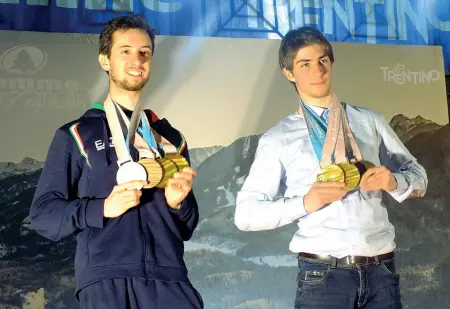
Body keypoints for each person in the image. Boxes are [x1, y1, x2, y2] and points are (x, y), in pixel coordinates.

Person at [234, 26, 427, 309]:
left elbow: (419, 177)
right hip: (322, 276)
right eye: (305, 64)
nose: (318, 71)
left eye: (323, 60)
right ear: (289, 73)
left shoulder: (370, 121)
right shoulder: (278, 139)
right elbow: (246, 215)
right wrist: (305, 203)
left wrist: (393, 181)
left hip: (381, 271)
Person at [29, 15, 203, 309]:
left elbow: (187, 226)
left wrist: (177, 204)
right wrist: (102, 208)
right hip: (106, 282)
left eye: (144, 52)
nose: (137, 59)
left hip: (171, 280)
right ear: (104, 60)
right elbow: (43, 216)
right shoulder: (76, 134)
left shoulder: (171, 139)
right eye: (125, 51)